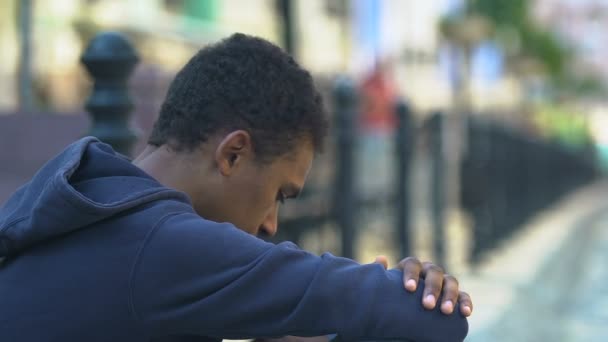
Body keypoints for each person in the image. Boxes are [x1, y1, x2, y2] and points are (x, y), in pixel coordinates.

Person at [0, 33, 471, 342]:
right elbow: (433, 322)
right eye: (281, 194)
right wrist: (418, 290)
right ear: (233, 154)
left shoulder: (87, 204)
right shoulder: (162, 244)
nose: (270, 223)